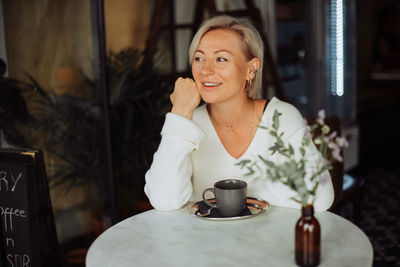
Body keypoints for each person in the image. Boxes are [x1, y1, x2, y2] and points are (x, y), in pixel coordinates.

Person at [144, 15, 334, 212]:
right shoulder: (188, 123)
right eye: (199, 58)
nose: (205, 70)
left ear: (251, 69)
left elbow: (320, 197)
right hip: (205, 241)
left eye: (221, 59)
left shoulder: (281, 116)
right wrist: (180, 114)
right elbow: (163, 200)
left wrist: (239, 194)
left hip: (270, 241)